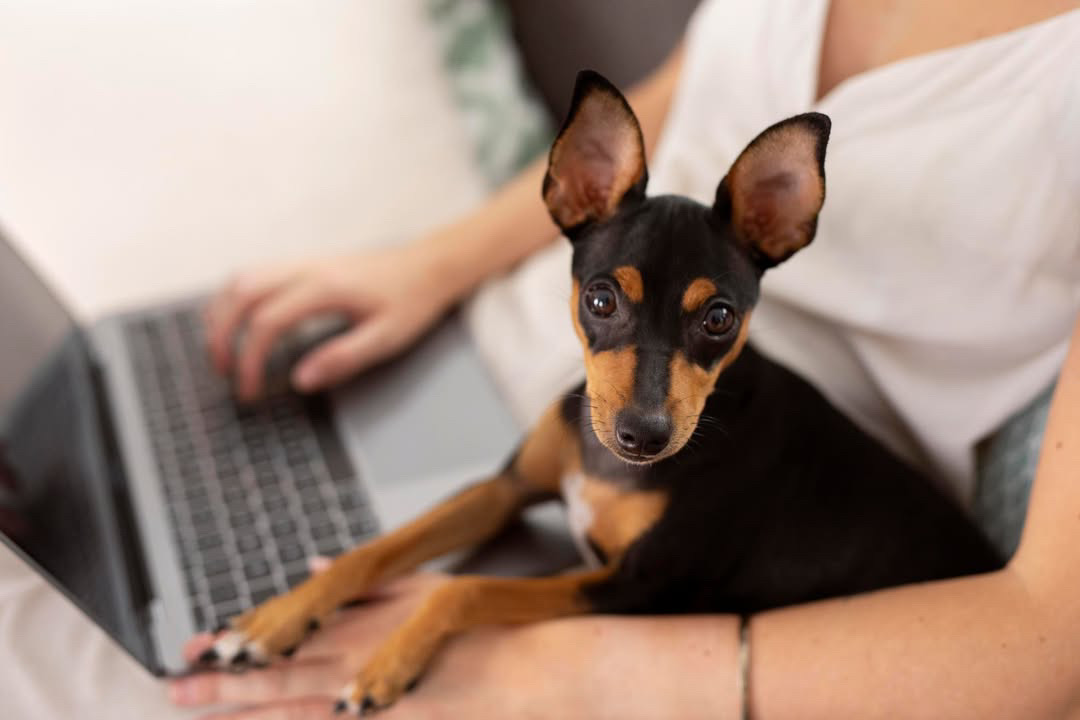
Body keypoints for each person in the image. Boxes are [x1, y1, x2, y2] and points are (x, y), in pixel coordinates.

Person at [175, 0, 1080, 716]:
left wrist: (560, 671)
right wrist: (431, 263)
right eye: (602, 310)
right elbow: (689, 85)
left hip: (729, 583)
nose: (643, 402)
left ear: (782, 221)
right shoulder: (588, 276)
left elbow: (1052, 653)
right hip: (475, 359)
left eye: (711, 326)